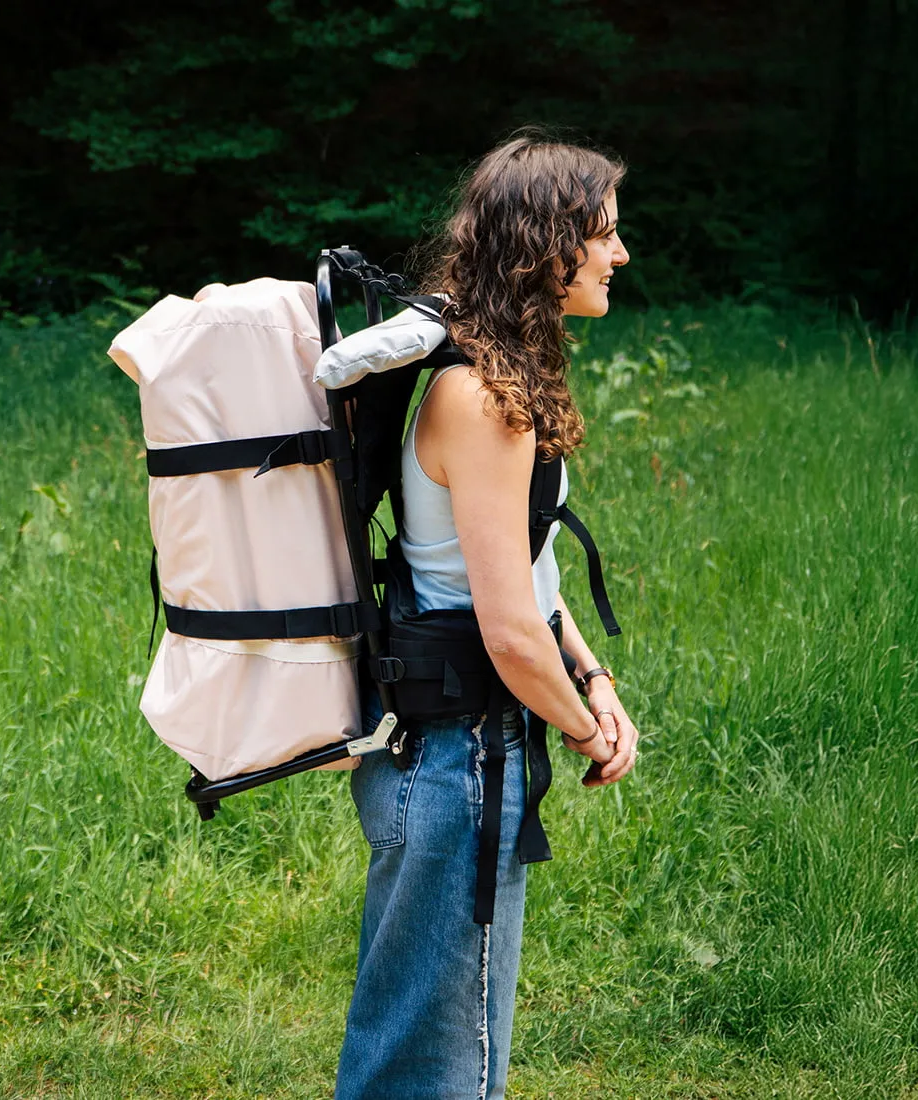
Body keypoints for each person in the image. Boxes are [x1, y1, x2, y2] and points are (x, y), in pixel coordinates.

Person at [334, 134, 641, 1100]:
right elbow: (508, 632)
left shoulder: (489, 379)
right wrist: (588, 729)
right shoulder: (485, 399)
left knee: (428, 1048)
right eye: (605, 233)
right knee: (436, 1071)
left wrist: (593, 676)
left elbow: (531, 575)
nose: (619, 254)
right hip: (457, 762)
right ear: (548, 246)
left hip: (442, 757)